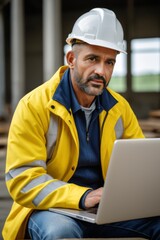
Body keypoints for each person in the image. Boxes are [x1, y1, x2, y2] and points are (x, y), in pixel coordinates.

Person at [2, 7, 160, 240]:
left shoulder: (119, 108)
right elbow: (22, 179)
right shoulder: (34, 106)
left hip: (106, 210)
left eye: (109, 62)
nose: (101, 71)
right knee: (61, 233)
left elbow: (139, 171)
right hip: (52, 211)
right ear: (71, 59)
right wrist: (84, 197)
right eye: (93, 59)